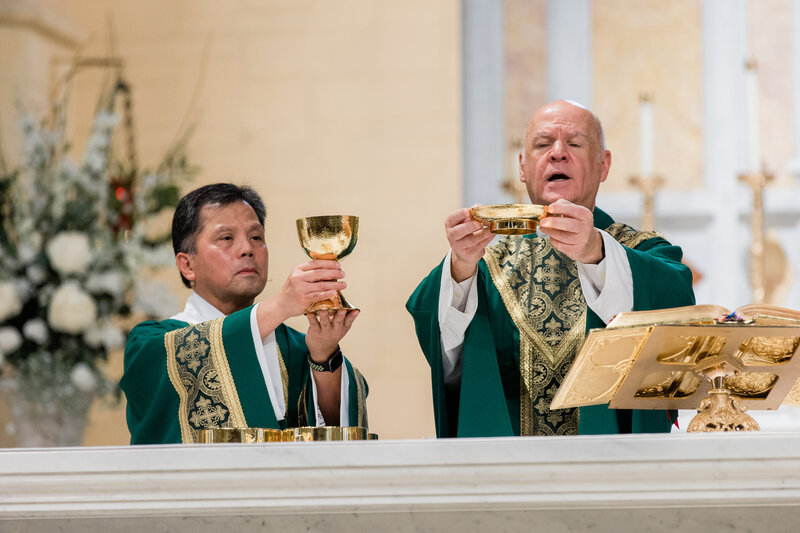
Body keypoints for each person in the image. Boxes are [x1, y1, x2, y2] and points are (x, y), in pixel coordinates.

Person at [406, 100, 694, 438]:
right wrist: (459, 268)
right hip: (512, 474)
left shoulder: (638, 251)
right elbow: (444, 349)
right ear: (523, 166)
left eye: (574, 143)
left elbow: (675, 307)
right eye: (543, 144)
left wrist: (594, 251)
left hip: (614, 469)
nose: (558, 153)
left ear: (603, 164)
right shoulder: (484, 266)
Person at [121, 183, 368, 444]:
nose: (247, 249)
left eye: (256, 237)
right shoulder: (152, 344)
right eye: (226, 238)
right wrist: (282, 305)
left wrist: (323, 356)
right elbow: (189, 354)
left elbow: (337, 433)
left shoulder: (297, 347)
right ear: (187, 265)